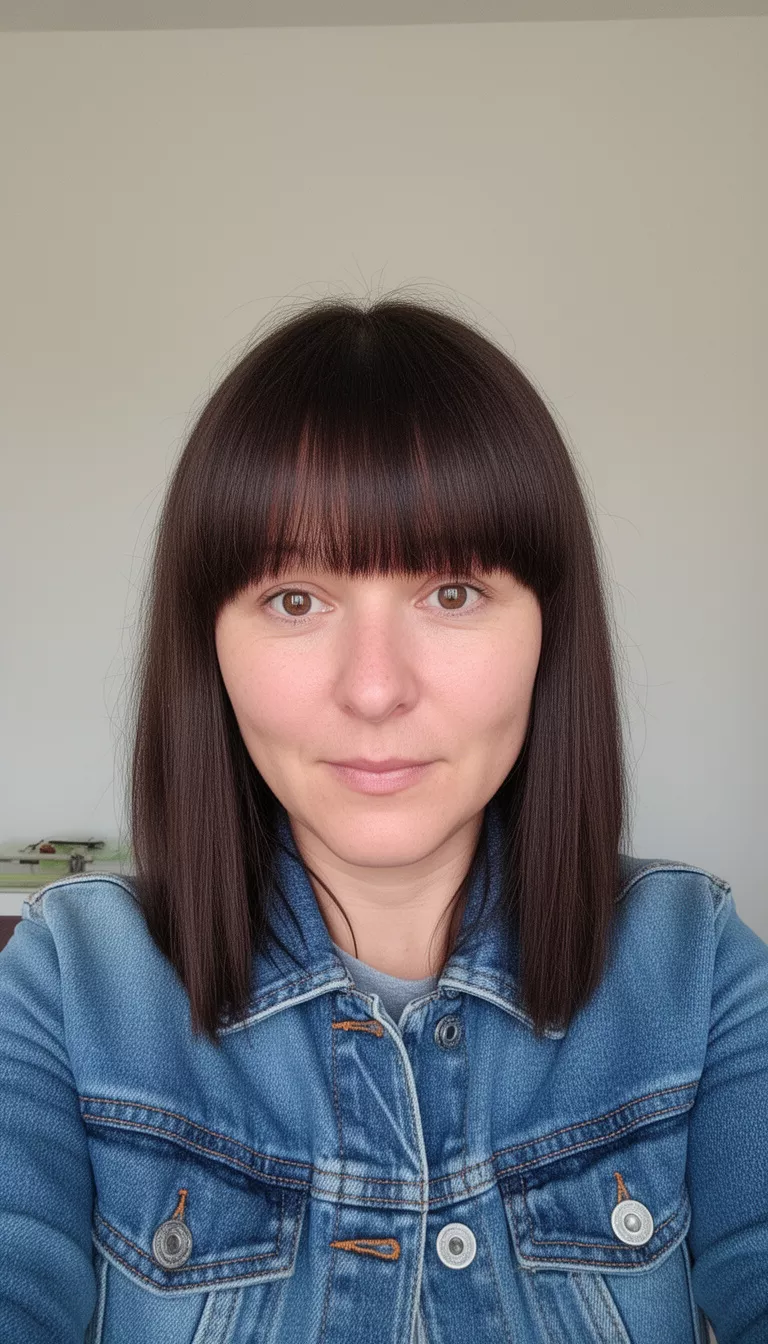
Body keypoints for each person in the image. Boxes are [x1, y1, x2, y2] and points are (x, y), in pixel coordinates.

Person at [0, 295, 766, 1344]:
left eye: (451, 592)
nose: (373, 690)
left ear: (550, 630)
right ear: (208, 646)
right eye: (295, 600)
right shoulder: (70, 983)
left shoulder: (697, 969)